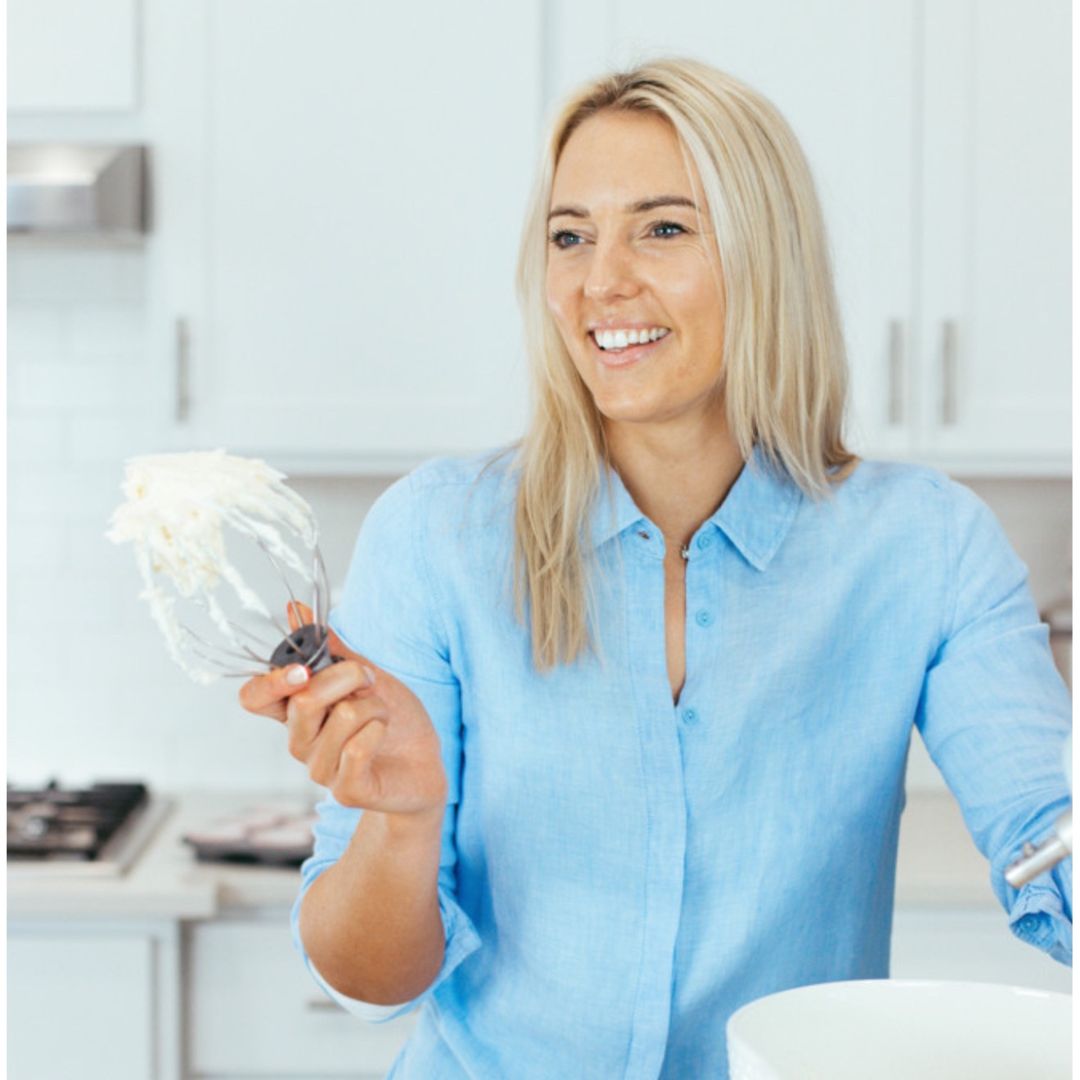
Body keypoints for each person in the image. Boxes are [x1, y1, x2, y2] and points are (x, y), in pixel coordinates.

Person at [240, 57, 1072, 1079]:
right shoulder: (436, 536)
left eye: (664, 228)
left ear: (767, 258)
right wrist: (401, 822)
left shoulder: (927, 547)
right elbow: (369, 981)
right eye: (570, 236)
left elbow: (1049, 836)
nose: (601, 282)